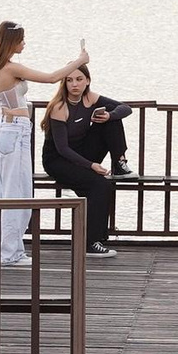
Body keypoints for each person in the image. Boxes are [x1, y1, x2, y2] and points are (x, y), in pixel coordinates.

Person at [0, 21, 88, 267]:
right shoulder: (9, 68)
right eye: (22, 39)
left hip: (11, 129)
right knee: (15, 194)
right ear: (11, 42)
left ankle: (2, 251)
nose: (25, 43)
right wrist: (80, 61)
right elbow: (51, 78)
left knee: (8, 193)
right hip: (13, 131)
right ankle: (7, 253)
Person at [40, 64, 130, 258]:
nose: (74, 84)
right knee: (99, 185)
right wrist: (91, 166)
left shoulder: (91, 98)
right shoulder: (59, 107)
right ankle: (90, 243)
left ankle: (120, 164)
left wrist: (109, 115)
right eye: (69, 80)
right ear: (64, 82)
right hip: (58, 159)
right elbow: (62, 149)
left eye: (79, 79)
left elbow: (126, 108)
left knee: (112, 119)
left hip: (80, 153)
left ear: (87, 81)